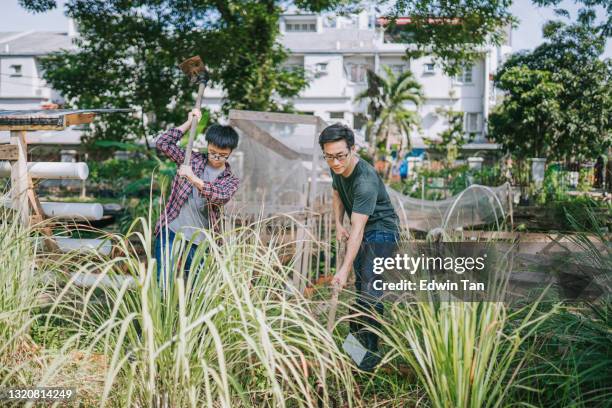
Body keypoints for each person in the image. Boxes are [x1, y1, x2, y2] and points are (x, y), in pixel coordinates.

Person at [319, 123, 400, 371]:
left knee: (370, 283)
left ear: (353, 149)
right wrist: (337, 223)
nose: (334, 163)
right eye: (329, 157)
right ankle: (358, 350)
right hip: (360, 227)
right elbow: (336, 192)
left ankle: (370, 357)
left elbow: (359, 231)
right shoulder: (336, 165)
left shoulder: (364, 180)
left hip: (382, 230)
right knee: (361, 287)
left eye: (340, 156)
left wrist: (342, 270)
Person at [154, 108, 240, 283]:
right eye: (213, 152)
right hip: (172, 229)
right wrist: (189, 122)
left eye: (222, 155)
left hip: (200, 240)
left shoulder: (230, 180)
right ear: (208, 145)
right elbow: (163, 143)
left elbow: (219, 196)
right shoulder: (191, 159)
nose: (216, 158)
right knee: (163, 280)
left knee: (196, 287)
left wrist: (193, 178)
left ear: (230, 152)